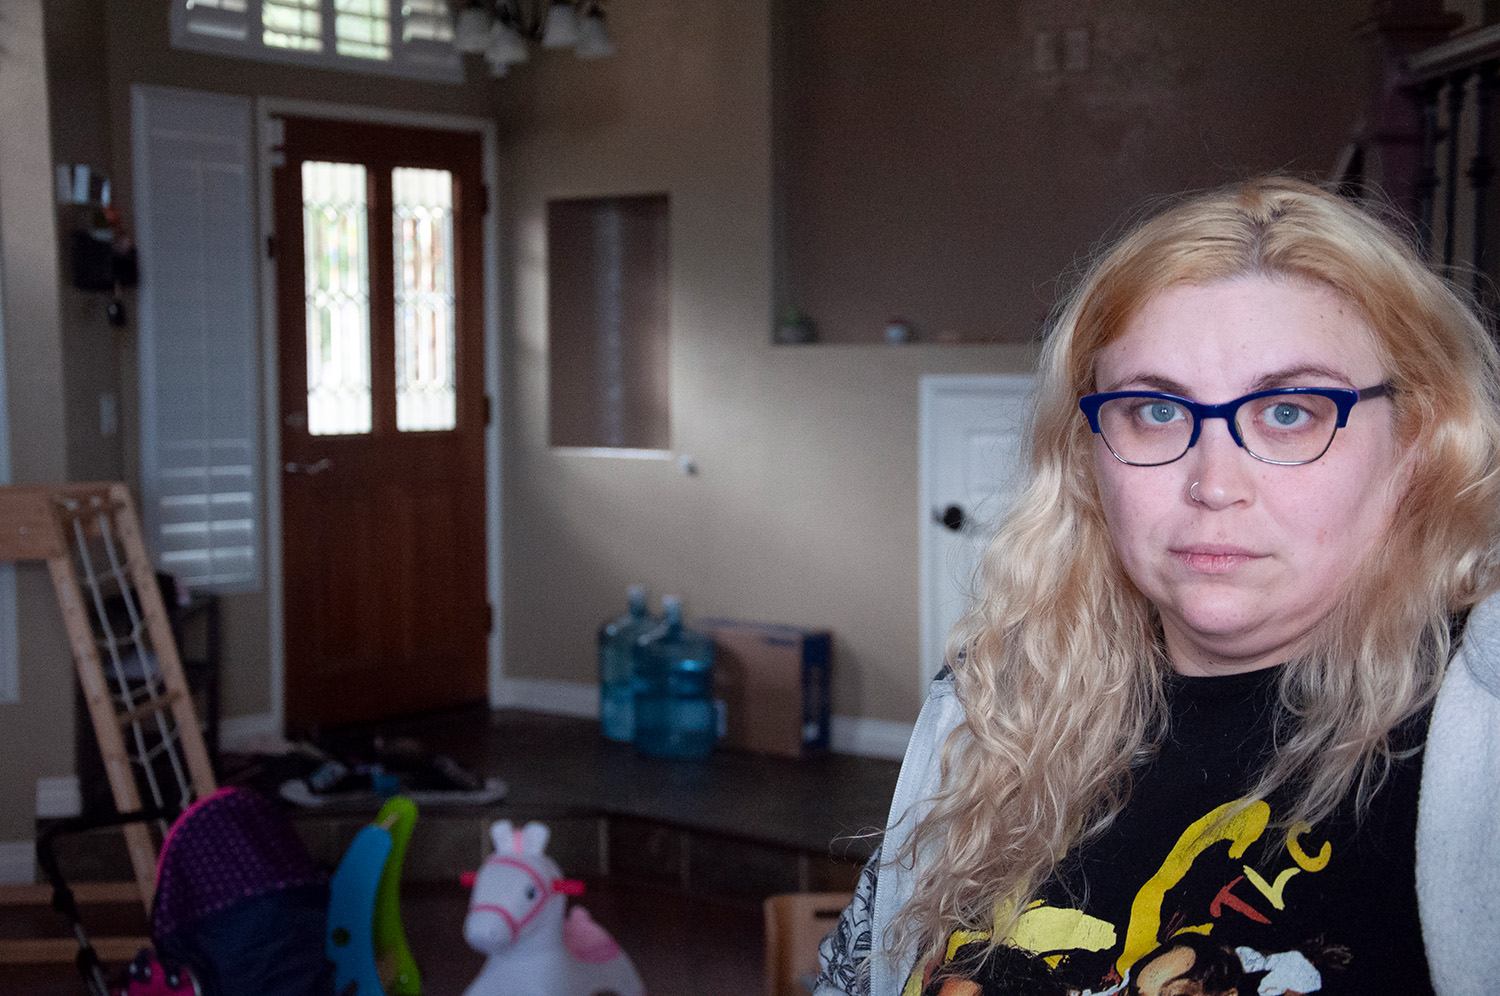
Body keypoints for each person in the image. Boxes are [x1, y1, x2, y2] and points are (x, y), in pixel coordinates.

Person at [813, 178, 1500, 996]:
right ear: (1089, 452)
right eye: (1157, 411)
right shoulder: (993, 704)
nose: (1213, 484)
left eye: (1289, 412)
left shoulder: (1478, 738)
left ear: (1418, 441)